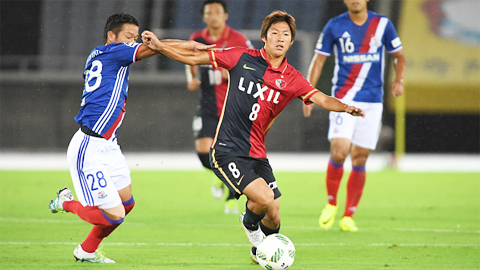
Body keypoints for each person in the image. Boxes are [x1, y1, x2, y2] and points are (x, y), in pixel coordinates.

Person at [142, 10, 365, 264]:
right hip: (227, 150)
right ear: (264, 38)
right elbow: (195, 56)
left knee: (274, 215)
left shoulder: (293, 79)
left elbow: (322, 98)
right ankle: (251, 230)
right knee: (264, 199)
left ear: (291, 42)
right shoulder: (240, 57)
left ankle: (257, 253)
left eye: (286, 35)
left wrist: (345, 107)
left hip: (257, 154)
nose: (280, 38)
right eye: (274, 33)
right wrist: (161, 47)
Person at [47, 13, 211, 263]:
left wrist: (186, 46)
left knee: (126, 204)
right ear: (111, 36)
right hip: (89, 146)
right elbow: (155, 48)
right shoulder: (114, 52)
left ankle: (86, 251)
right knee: (113, 215)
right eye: (128, 37)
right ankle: (66, 201)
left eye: (135, 38)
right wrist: (194, 47)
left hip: (108, 145)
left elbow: (156, 47)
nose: (133, 42)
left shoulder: (102, 54)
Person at [303, 0, 406, 232]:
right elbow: (319, 60)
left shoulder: (382, 24)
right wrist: (308, 93)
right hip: (344, 100)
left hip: (372, 103)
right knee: (339, 152)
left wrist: (398, 80)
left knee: (359, 158)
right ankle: (331, 202)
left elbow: (399, 56)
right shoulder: (334, 26)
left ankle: (348, 215)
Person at [187, 0, 254, 214]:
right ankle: (221, 176)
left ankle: (232, 199)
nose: (213, 16)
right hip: (207, 104)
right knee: (203, 151)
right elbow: (190, 62)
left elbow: (254, 65)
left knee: (233, 153)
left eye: (217, 12)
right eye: (209, 13)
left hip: (234, 106)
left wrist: (235, 72)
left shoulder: (238, 39)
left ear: (225, 15)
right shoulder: (197, 39)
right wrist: (191, 77)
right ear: (204, 17)